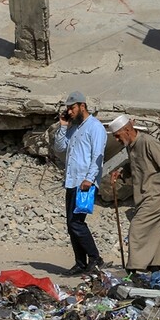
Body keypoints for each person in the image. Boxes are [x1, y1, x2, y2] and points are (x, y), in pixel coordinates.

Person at [108, 114, 160, 273]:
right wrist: (121, 172)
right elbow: (136, 165)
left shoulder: (147, 142)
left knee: (137, 229)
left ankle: (135, 269)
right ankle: (158, 264)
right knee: (157, 229)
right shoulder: (130, 145)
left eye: (118, 136)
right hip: (143, 196)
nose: (117, 140)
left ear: (127, 130)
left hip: (156, 196)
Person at [52, 91, 106, 275]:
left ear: (82, 106)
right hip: (72, 181)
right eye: (68, 108)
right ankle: (81, 263)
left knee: (77, 222)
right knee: (71, 224)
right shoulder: (74, 127)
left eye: (72, 108)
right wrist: (63, 126)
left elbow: (98, 155)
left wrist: (90, 178)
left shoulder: (95, 127)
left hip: (84, 183)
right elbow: (60, 147)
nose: (70, 111)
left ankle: (95, 258)